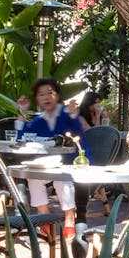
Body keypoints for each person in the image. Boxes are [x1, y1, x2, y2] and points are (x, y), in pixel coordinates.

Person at [17, 78, 85, 236]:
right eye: (41, 95)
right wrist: (22, 112)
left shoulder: (67, 114)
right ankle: (44, 216)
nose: (46, 97)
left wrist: (74, 115)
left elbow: (79, 135)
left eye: (50, 93)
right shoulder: (38, 120)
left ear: (58, 96)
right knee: (33, 177)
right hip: (48, 165)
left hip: (71, 163)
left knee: (62, 178)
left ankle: (70, 217)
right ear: (37, 99)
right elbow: (22, 138)